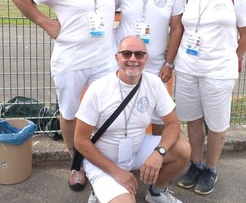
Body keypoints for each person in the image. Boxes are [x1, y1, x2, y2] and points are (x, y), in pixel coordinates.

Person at [10, 0, 192, 192]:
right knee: (70, 113)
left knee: (110, 112)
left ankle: (109, 163)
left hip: (106, 58)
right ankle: (76, 163)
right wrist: (47, 24)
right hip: (70, 59)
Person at [174, 0, 246, 195]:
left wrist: (232, 60)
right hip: (187, 68)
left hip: (218, 72)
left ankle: (211, 169)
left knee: (217, 124)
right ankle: (196, 165)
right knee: (194, 120)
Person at [74, 36, 191, 203]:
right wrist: (116, 171)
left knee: (183, 148)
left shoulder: (154, 83)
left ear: (146, 58)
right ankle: (101, 186)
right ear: (117, 57)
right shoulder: (98, 89)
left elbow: (173, 124)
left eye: (139, 54)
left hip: (137, 149)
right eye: (127, 54)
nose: (133, 59)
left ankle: (157, 192)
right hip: (104, 159)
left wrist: (159, 152)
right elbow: (80, 141)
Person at [115, 0, 184, 135]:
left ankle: (158, 155)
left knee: (160, 115)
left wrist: (169, 63)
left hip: (156, 66)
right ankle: (120, 157)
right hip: (125, 62)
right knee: (121, 112)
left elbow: (177, 28)